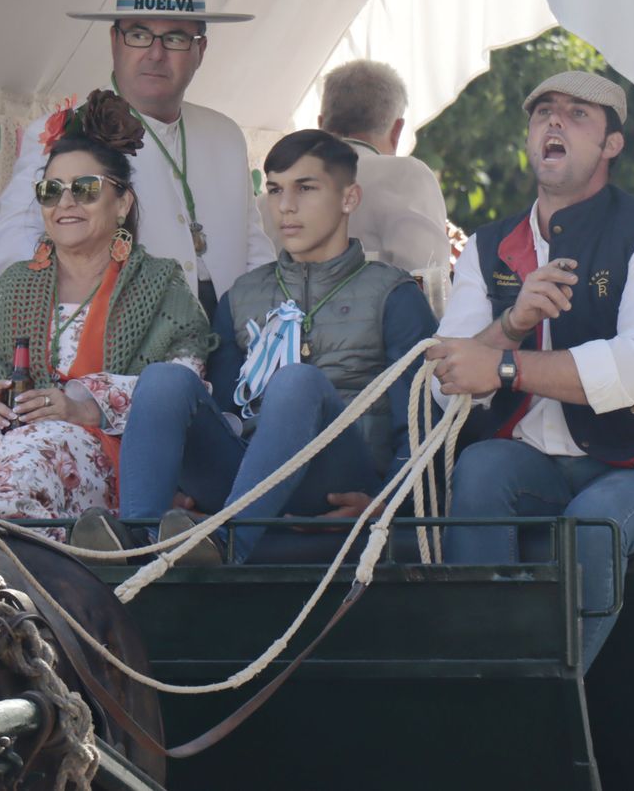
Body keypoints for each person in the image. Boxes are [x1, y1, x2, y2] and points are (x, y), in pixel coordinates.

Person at [426, 71, 634, 669]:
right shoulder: (487, 246)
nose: (554, 121)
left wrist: (506, 365)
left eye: (578, 114)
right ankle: (475, 672)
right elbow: (444, 377)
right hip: (535, 466)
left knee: (594, 524)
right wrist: (510, 324)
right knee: (479, 469)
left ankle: (548, 697)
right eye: (543, 112)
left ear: (612, 144)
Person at [95, 130, 438, 564]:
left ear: (350, 198)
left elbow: (422, 426)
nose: (285, 207)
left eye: (305, 188)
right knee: (165, 379)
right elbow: (223, 415)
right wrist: (186, 488)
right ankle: (139, 546)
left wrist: (386, 505)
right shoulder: (241, 296)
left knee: (297, 382)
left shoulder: (394, 294)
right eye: (274, 190)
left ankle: (228, 547)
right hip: (248, 477)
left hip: (339, 479)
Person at [0, 90, 214, 522]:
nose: (66, 202)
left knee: (36, 449)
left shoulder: (159, 282)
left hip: (109, 455)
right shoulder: (18, 285)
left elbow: (185, 386)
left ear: (122, 202)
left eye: (85, 189)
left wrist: (84, 406)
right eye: (51, 190)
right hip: (9, 441)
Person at [0, 0, 273, 316]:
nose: (155, 53)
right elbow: (9, 249)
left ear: (201, 50)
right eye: (139, 34)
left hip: (230, 332)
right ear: (114, 41)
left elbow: (255, 250)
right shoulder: (69, 129)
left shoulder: (225, 134)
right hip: (125, 334)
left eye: (175, 38)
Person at [317, 59, 450, 274]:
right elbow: (426, 284)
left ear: (321, 124)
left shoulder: (270, 199)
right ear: (397, 130)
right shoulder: (405, 177)